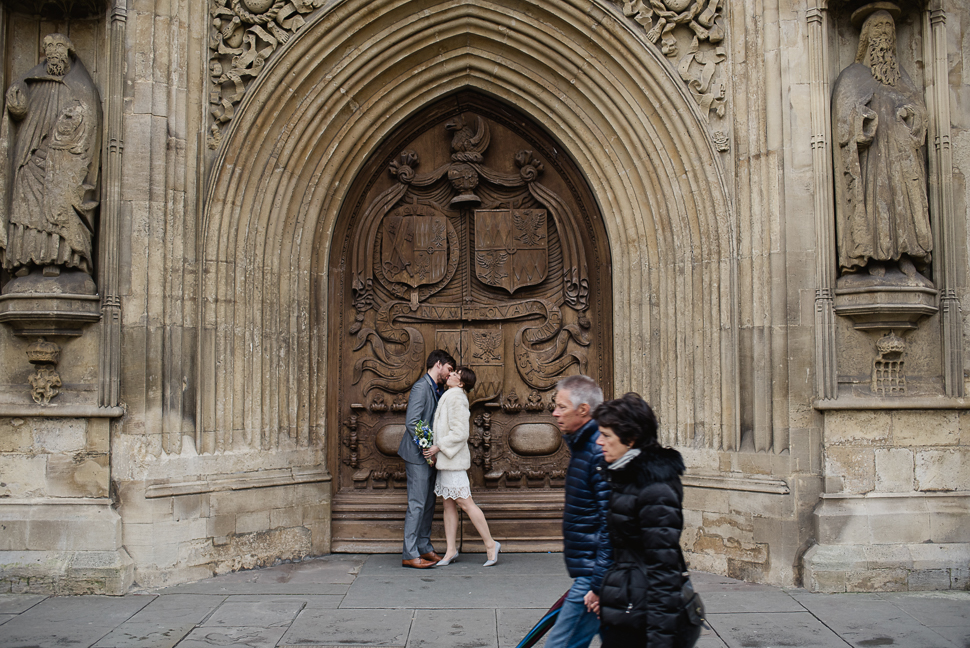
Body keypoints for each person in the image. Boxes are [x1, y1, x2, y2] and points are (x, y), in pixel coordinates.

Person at [832, 7, 932, 285]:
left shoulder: (902, 78)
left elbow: (918, 112)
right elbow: (844, 118)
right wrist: (861, 123)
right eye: (878, 29)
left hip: (901, 158)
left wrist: (911, 115)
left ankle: (904, 256)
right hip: (872, 158)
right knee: (877, 202)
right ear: (866, 37)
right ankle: (873, 258)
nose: (885, 35)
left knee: (902, 204)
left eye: (888, 29)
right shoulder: (854, 75)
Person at [1, 33, 101, 280]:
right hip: (30, 153)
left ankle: (60, 258)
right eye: (49, 47)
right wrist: (15, 104)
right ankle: (23, 259)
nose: (54, 52)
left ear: (69, 51)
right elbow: (18, 112)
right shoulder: (32, 82)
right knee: (24, 202)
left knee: (59, 202)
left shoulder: (80, 85)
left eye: (59, 47)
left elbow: (88, 117)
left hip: (62, 155)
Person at [589, 393, 686, 648]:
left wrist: (660, 641)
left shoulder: (655, 491)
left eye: (607, 436)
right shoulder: (624, 478)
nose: (599, 442)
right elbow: (627, 553)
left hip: (641, 616)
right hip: (627, 605)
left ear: (630, 439)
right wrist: (605, 590)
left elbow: (664, 571)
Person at [544, 375, 611, 648]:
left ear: (583, 410)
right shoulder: (585, 445)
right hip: (594, 571)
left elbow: (612, 524)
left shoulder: (598, 450)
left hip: (595, 573)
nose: (555, 412)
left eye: (561, 406)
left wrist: (597, 585)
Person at [423, 366, 500, 567]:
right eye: (453, 372)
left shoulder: (456, 397)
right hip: (447, 462)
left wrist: (438, 447)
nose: (451, 375)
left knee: (466, 504)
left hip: (453, 462)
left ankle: (491, 544)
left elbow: (460, 433)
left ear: (462, 382)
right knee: (448, 505)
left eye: (456, 374)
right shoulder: (450, 394)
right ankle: (450, 551)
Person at [398, 349, 455, 568]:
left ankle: (424, 547)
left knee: (429, 504)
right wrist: (427, 449)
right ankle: (410, 553)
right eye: (448, 369)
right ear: (438, 364)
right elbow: (412, 422)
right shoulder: (421, 387)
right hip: (417, 455)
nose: (449, 375)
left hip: (429, 456)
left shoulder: (436, 388)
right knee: (417, 503)